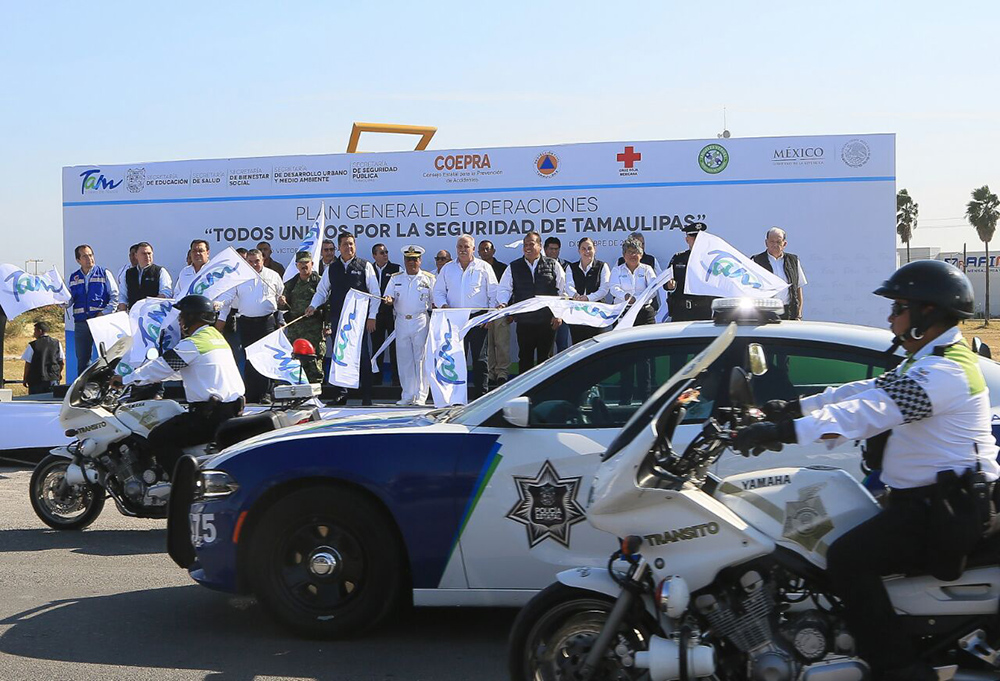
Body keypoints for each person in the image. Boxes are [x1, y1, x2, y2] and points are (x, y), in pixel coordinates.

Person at [733, 259, 998, 681]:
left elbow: (871, 411)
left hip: (941, 511)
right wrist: (794, 407)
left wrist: (782, 432)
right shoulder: (930, 360)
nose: (891, 318)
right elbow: (868, 390)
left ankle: (897, 668)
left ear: (927, 314)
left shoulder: (944, 371)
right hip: (927, 502)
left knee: (846, 558)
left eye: (898, 308)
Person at [119, 295, 244, 477]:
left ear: (192, 318)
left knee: (158, 438)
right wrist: (154, 377)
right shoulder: (215, 338)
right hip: (231, 409)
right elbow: (182, 370)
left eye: (182, 316)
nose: (179, 320)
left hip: (209, 416)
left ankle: (186, 485)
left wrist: (124, 379)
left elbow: (161, 367)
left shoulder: (193, 344)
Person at [305, 232, 380, 405]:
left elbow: (375, 293)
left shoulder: (364, 265)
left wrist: (372, 316)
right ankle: (341, 394)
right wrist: (313, 306)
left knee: (362, 356)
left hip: (358, 321)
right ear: (339, 247)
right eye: (345, 244)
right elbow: (322, 291)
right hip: (338, 319)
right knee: (339, 355)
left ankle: (366, 395)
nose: (349, 247)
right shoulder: (332, 268)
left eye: (352, 244)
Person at [432, 235, 497, 399]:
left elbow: (493, 293)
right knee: (455, 359)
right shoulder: (448, 268)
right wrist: (444, 306)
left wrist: (489, 316)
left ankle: (481, 396)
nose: (462, 249)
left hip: (478, 319)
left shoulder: (484, 267)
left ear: (473, 249)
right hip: (454, 320)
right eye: (460, 246)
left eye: (466, 246)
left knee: (480, 360)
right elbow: (438, 292)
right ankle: (456, 397)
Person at [216, 248, 283, 403]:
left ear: (263, 260)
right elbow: (228, 297)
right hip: (246, 322)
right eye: (250, 262)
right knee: (250, 358)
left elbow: (280, 294)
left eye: (257, 261)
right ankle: (252, 393)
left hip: (267, 322)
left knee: (266, 357)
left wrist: (281, 306)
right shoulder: (239, 278)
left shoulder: (273, 276)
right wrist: (219, 305)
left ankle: (266, 393)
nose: (254, 265)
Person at [497, 232, 567, 374]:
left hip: (547, 322)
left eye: (531, 244)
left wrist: (558, 315)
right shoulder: (514, 267)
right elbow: (504, 289)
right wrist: (503, 304)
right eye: (525, 244)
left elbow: (563, 292)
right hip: (525, 322)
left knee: (546, 360)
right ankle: (525, 394)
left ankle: (544, 394)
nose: (528, 247)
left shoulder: (553, 265)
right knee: (525, 359)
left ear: (540, 246)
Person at [384, 245, 435, 405]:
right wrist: (389, 300)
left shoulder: (429, 279)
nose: (411, 262)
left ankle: (420, 395)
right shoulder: (395, 278)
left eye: (415, 259)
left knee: (420, 358)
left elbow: (436, 300)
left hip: (420, 320)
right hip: (401, 321)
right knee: (404, 359)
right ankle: (407, 394)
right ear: (404, 261)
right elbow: (388, 296)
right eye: (408, 259)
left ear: (420, 261)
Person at [611, 236, 657, 404]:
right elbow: (613, 288)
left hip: (644, 314)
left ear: (642, 253)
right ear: (624, 255)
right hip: (624, 314)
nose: (633, 256)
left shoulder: (647, 269)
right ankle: (625, 400)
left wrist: (637, 299)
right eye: (630, 253)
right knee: (625, 358)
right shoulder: (617, 270)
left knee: (645, 359)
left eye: (636, 252)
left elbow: (652, 289)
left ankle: (646, 400)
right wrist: (626, 296)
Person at [67, 244, 119, 377]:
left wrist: (104, 313)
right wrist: (59, 300)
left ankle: (109, 387)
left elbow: (115, 296)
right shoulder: (74, 278)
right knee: (83, 360)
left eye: (90, 255)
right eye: (85, 256)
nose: (89, 258)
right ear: (78, 260)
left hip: (100, 322)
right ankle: (84, 391)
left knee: (107, 357)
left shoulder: (104, 273)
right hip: (81, 323)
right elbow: (69, 300)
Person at [278, 251, 327, 383]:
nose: (304, 265)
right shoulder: (291, 284)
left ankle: (316, 391)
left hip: (314, 328)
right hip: (296, 329)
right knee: (297, 360)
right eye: (301, 263)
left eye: (306, 262)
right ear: (296, 265)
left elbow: (328, 305)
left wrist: (327, 326)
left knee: (315, 360)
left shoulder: (320, 282)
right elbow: (283, 307)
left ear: (312, 264)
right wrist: (281, 302)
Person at [751, 227, 807, 320]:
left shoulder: (793, 261)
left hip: (789, 312)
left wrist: (799, 314)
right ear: (766, 243)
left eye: (778, 242)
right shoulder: (756, 261)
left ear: (784, 244)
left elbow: (798, 288)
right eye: (772, 241)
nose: (775, 245)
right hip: (764, 313)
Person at [666, 223, 717, 321]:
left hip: (703, 310)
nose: (696, 240)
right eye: (693, 237)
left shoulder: (711, 259)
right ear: (687, 240)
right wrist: (669, 285)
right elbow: (666, 282)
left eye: (699, 238)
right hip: (681, 310)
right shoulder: (678, 258)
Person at [566, 237, 611, 344]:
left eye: (589, 248)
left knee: (597, 347)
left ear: (594, 249)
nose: (587, 251)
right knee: (578, 346)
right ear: (579, 250)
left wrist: (588, 298)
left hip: (597, 314)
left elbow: (604, 289)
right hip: (577, 314)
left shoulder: (602, 266)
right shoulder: (571, 267)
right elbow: (568, 286)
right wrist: (576, 296)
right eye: (583, 248)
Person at [479, 240, 510, 389]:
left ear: (493, 251)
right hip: (484, 312)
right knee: (488, 345)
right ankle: (491, 374)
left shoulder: (503, 268)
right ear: (478, 252)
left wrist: (511, 311)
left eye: (487, 249)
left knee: (501, 343)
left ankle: (502, 374)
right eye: (482, 250)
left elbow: (511, 288)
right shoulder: (477, 269)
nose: (485, 252)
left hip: (500, 311)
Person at [371, 243, 401, 386]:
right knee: (377, 347)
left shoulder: (396, 269)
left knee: (395, 347)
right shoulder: (369, 269)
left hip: (392, 314)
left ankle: (396, 379)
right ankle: (377, 379)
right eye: (382, 253)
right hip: (375, 315)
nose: (385, 255)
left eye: (386, 252)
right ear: (374, 255)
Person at [117, 242, 172, 312]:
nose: (147, 256)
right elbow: (123, 295)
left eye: (149, 253)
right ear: (136, 256)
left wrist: (150, 305)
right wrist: (122, 312)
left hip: (153, 314)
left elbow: (166, 293)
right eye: (144, 254)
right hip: (133, 313)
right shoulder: (127, 273)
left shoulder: (160, 271)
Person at [545, 237, 572, 354]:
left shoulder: (567, 266)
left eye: (556, 249)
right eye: (551, 249)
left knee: (562, 344)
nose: (553, 252)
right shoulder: (540, 265)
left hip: (563, 310)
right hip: (545, 310)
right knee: (547, 345)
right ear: (545, 249)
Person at [22, 321, 63, 394]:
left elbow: (28, 364)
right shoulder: (57, 343)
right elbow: (61, 362)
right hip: (52, 379)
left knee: (35, 402)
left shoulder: (33, 345)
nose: (34, 334)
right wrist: (58, 374)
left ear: (40, 331)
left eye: (35, 331)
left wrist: (25, 378)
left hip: (36, 380)